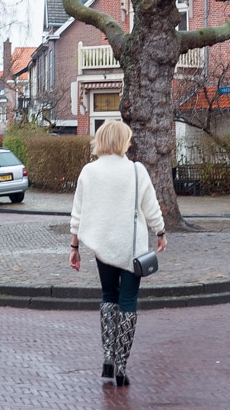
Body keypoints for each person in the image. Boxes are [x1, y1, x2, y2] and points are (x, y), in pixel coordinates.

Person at [69, 119, 167, 386]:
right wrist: (160, 232)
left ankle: (108, 356)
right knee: (128, 302)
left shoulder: (88, 172)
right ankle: (122, 363)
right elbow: (150, 206)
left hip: (103, 247)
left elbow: (78, 213)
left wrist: (74, 246)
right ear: (123, 141)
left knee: (108, 296)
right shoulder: (136, 171)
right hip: (131, 248)